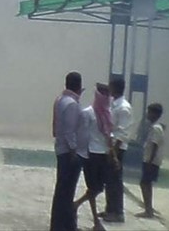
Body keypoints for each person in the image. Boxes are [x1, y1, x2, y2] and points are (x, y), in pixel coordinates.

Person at [74, 83, 113, 231]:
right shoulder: (88, 113)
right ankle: (96, 221)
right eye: (103, 94)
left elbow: (109, 136)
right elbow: (82, 135)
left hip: (103, 154)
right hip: (91, 155)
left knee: (97, 188)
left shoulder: (108, 114)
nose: (106, 97)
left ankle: (76, 205)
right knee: (93, 187)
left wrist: (113, 155)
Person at [51, 71, 83, 231]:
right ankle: (64, 226)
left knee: (61, 190)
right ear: (79, 86)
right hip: (68, 152)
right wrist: (74, 151)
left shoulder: (60, 100)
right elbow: (70, 131)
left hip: (60, 148)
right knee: (67, 191)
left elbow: (55, 128)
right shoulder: (72, 104)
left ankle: (58, 224)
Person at [102, 76, 133, 223]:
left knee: (115, 180)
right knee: (109, 180)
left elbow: (122, 133)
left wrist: (114, 153)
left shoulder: (124, 107)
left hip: (117, 149)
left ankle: (118, 212)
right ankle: (110, 209)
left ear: (115, 87)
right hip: (111, 147)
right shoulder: (114, 104)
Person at [136, 103, 165, 219]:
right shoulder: (155, 127)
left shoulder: (156, 128)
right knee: (146, 184)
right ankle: (148, 209)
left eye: (149, 112)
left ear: (155, 114)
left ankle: (148, 210)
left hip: (151, 161)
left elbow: (154, 145)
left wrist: (149, 161)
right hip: (150, 160)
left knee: (144, 183)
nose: (148, 114)